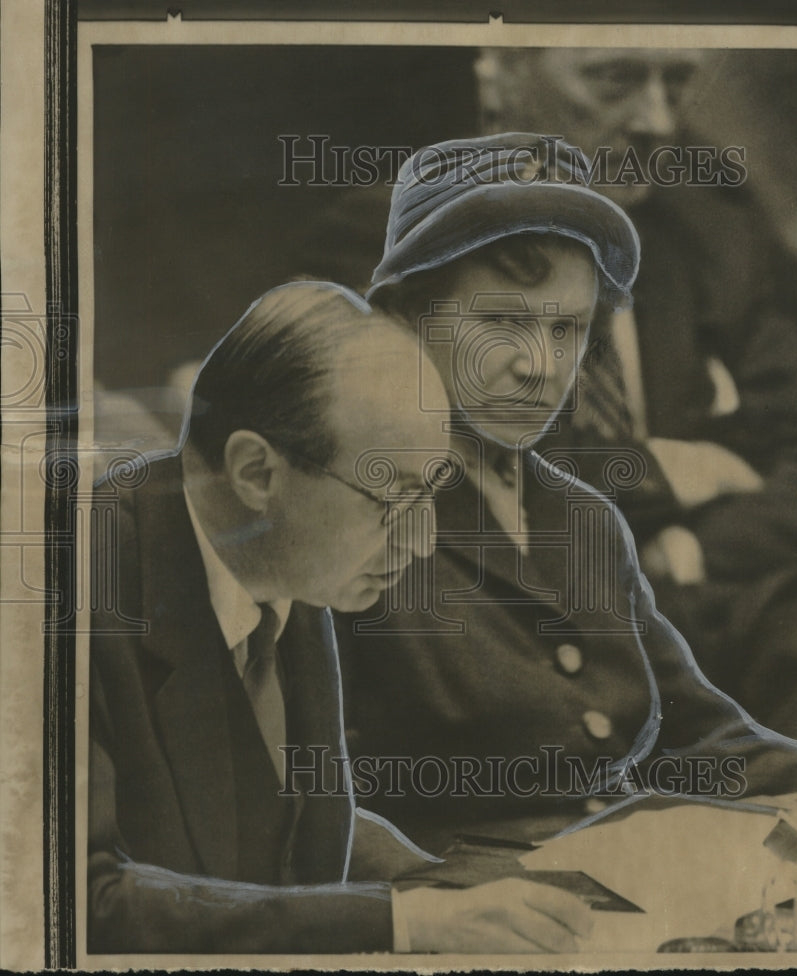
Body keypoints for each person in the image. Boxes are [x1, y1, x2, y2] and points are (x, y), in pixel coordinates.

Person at [334, 134, 797, 848]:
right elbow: (315, 812)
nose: (544, 368)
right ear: (403, 319)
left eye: (568, 330)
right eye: (502, 323)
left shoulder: (580, 518)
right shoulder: (350, 515)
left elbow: (701, 733)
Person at [87, 280, 597, 954]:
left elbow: (288, 825)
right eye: (390, 500)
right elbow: (85, 909)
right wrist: (401, 923)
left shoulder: (282, 558)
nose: (419, 545)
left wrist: (445, 894)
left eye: (431, 496)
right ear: (255, 473)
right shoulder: (67, 594)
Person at [472, 49, 797, 750]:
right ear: (500, 77)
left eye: (676, 83)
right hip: (521, 630)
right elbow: (494, 475)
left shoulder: (711, 239)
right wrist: (683, 469)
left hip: (701, 599)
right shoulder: (403, 242)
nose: (658, 122)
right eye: (614, 78)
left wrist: (684, 550)